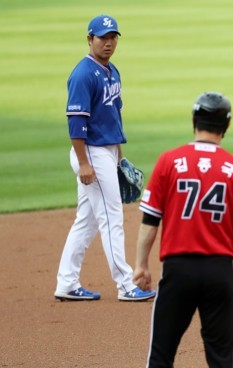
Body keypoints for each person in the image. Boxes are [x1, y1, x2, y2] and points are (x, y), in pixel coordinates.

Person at [134, 92, 233, 368]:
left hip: (178, 270)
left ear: (194, 121)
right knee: (220, 358)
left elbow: (149, 222)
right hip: (219, 273)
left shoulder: (169, 161)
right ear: (226, 125)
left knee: (161, 357)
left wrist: (141, 265)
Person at [54, 15, 156, 302]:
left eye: (113, 37)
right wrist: (84, 163)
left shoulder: (112, 71)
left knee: (85, 221)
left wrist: (119, 157)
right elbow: (76, 122)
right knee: (112, 219)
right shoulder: (83, 74)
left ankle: (66, 282)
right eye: (102, 37)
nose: (109, 42)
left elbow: (113, 115)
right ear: (90, 39)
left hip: (107, 151)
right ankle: (126, 286)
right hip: (91, 153)